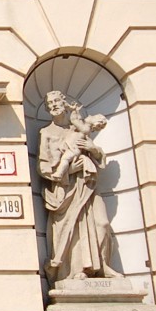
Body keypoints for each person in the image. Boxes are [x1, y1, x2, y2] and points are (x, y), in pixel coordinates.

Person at [39, 90, 121, 283]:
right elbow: (42, 166)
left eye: (56, 101)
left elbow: (98, 157)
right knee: (73, 228)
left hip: (88, 185)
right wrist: (67, 171)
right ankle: (77, 269)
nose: (54, 105)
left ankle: (103, 266)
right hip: (65, 188)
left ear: (64, 103)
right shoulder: (46, 133)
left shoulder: (77, 128)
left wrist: (93, 149)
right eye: (50, 103)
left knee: (102, 223)